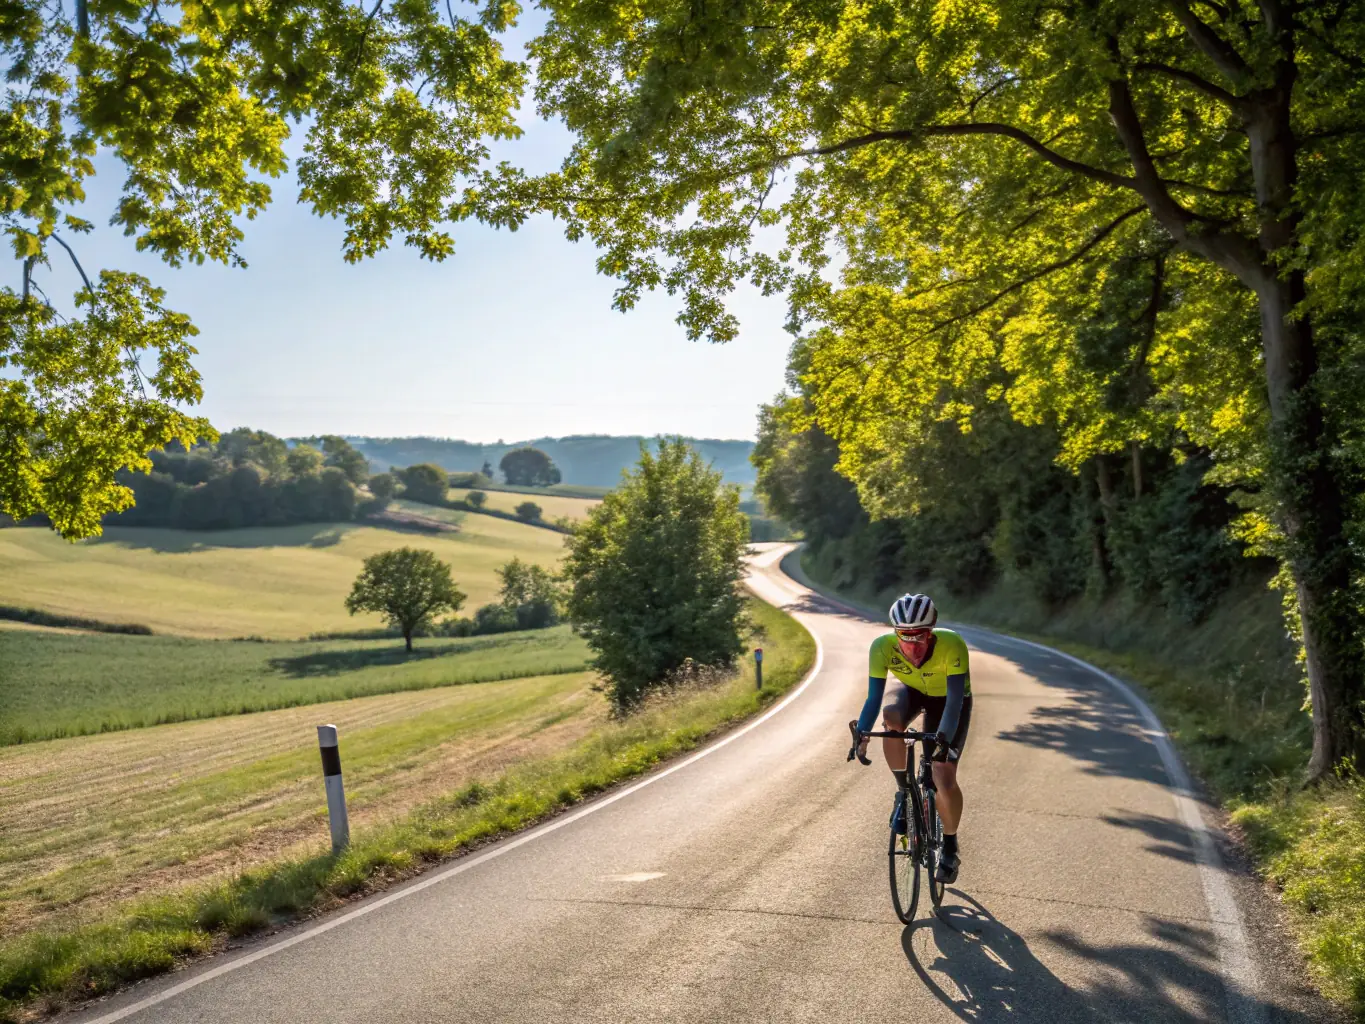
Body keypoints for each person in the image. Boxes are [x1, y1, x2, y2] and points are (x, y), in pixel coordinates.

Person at [850, 593, 972, 883]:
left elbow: (954, 701)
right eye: (906, 636)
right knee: (890, 716)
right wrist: (863, 734)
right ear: (895, 632)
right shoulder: (881, 648)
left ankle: (951, 845)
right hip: (911, 691)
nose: (913, 644)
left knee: (942, 776)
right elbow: (873, 698)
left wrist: (942, 738)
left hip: (948, 702)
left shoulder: (952, 643)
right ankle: (903, 793)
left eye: (920, 636)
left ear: (931, 633)